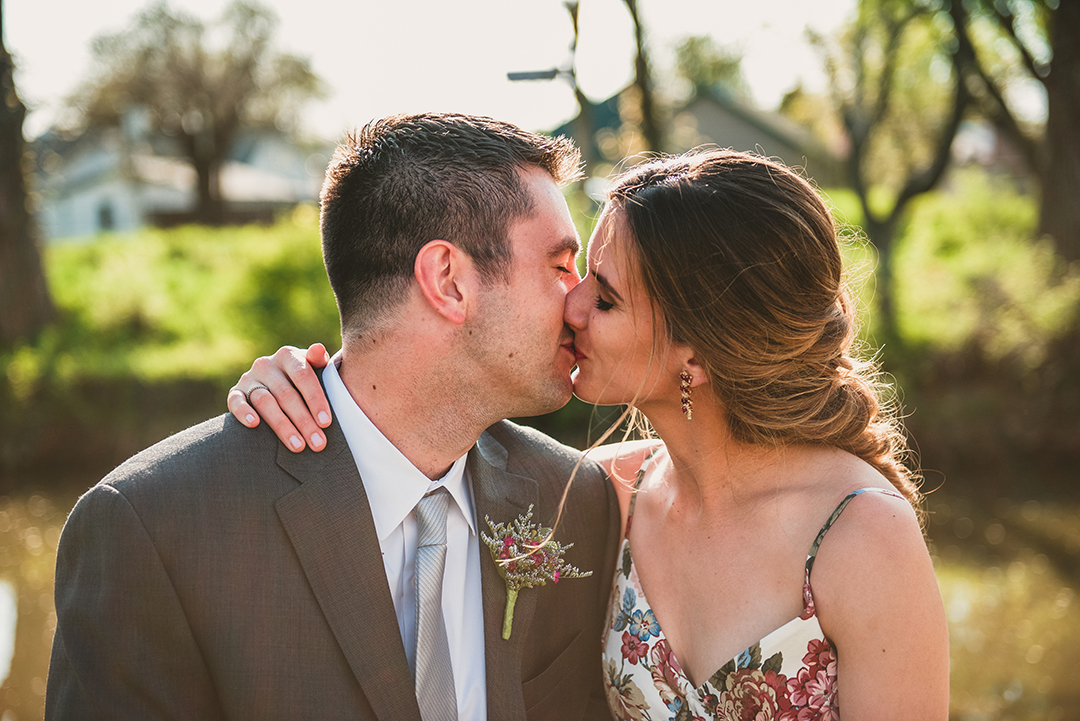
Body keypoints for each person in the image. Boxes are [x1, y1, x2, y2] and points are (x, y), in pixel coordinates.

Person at [233, 149, 950, 719]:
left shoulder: (860, 536)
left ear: (696, 352)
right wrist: (312, 383)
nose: (570, 304)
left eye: (603, 296)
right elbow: (415, 445)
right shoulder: (597, 494)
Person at [46, 113, 621, 721]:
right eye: (560, 266)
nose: (582, 299)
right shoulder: (153, 530)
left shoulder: (575, 498)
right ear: (448, 280)